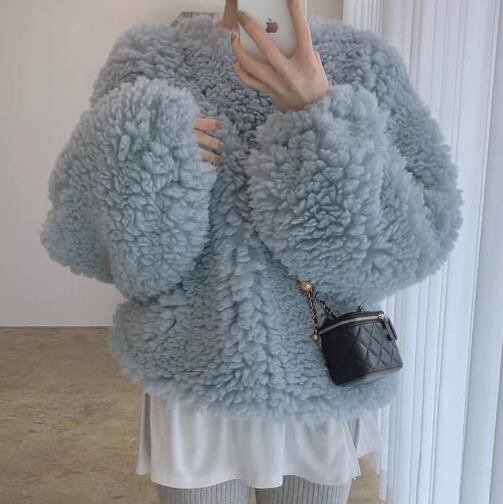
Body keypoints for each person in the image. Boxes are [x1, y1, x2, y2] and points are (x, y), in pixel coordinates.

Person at [39, 0, 464, 503]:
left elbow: (415, 241)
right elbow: (127, 260)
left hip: (320, 377)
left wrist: (319, 114)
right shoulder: (151, 57)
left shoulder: (363, 61)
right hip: (195, 375)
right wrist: (152, 153)